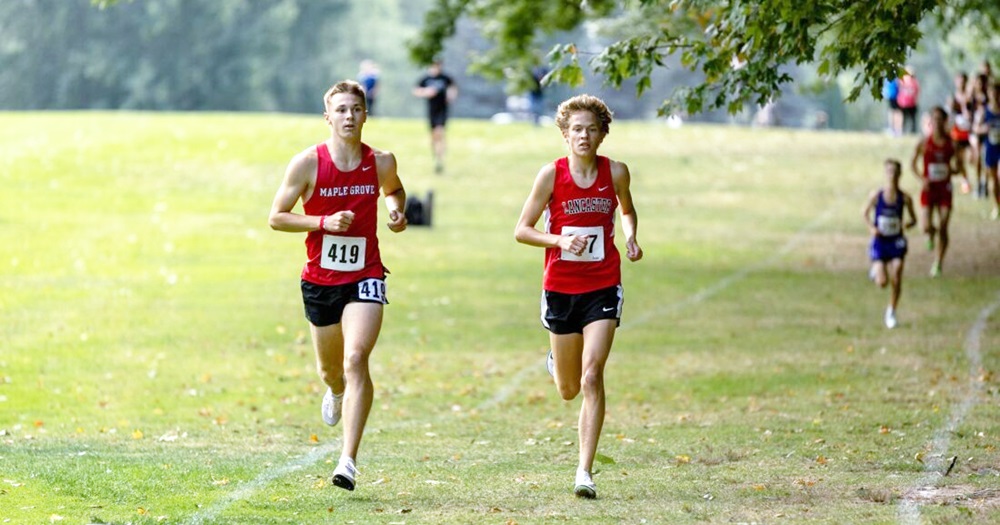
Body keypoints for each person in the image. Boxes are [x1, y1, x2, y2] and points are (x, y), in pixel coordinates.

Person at [268, 80, 408, 491]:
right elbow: (277, 217)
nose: (349, 116)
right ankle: (334, 391)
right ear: (327, 117)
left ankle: (347, 460)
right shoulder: (307, 163)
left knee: (356, 358)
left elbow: (395, 190)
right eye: (342, 110)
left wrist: (396, 211)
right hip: (320, 280)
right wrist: (323, 222)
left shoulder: (381, 161)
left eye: (356, 109)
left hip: (366, 273)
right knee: (333, 372)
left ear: (366, 115)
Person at [514, 94, 642, 499]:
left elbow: (626, 210)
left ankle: (584, 471)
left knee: (592, 375)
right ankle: (557, 363)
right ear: (565, 135)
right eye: (576, 130)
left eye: (591, 129)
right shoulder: (550, 175)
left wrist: (631, 236)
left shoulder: (616, 171)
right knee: (568, 388)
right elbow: (522, 230)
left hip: (602, 285)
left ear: (602, 134)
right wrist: (559, 239)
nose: (584, 136)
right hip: (560, 288)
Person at [910, 106, 968, 277]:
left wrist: (954, 172)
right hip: (929, 189)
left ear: (945, 121)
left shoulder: (952, 144)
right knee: (925, 226)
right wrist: (922, 179)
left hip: (945, 189)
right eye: (934, 119)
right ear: (930, 122)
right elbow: (913, 164)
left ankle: (938, 263)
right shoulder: (924, 143)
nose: (937, 122)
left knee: (943, 226)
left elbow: (959, 166)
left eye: (940, 119)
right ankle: (930, 234)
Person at [862, 159, 917, 329]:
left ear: (900, 174)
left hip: (896, 241)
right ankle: (876, 271)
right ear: (885, 173)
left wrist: (906, 225)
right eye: (889, 171)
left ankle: (891, 311)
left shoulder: (905, 198)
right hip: (880, 241)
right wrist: (872, 228)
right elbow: (865, 214)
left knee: (898, 271)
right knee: (882, 283)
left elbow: (914, 219)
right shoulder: (877, 196)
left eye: (895, 172)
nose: (892, 175)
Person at [413, 60, 458, 174]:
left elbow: (453, 88)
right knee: (433, 135)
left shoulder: (445, 78)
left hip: (442, 110)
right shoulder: (426, 79)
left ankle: (441, 156)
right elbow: (416, 91)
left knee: (440, 131)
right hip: (431, 110)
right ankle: (436, 155)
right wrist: (426, 92)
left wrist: (451, 96)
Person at [973, 81, 1000, 219]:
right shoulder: (984, 111)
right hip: (990, 149)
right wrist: (984, 128)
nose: (994, 95)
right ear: (988, 94)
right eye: (992, 93)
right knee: (994, 181)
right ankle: (997, 206)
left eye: (997, 93)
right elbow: (975, 128)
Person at [897, 66, 920, 135]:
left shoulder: (914, 82)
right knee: (904, 118)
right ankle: (902, 131)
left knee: (912, 119)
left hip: (911, 103)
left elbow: (917, 92)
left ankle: (912, 132)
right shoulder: (903, 80)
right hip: (904, 103)